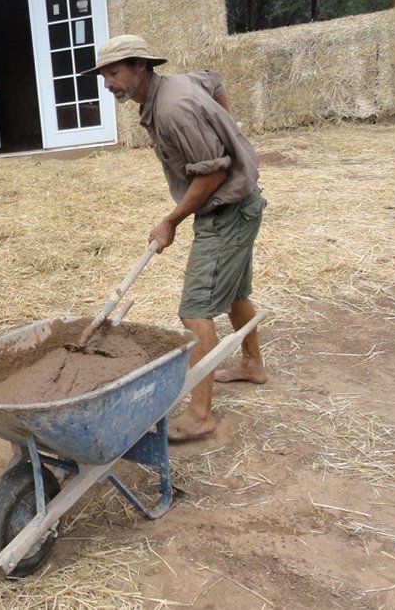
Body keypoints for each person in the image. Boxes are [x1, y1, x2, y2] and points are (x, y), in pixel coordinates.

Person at [81, 35, 268, 442]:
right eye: (104, 76)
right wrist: (225, 127)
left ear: (140, 67)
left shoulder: (173, 109)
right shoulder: (177, 85)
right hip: (239, 204)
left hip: (226, 212)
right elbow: (215, 81)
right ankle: (253, 364)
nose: (108, 83)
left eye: (114, 73)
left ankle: (200, 414)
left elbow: (212, 173)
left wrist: (172, 220)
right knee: (234, 293)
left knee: (195, 310)